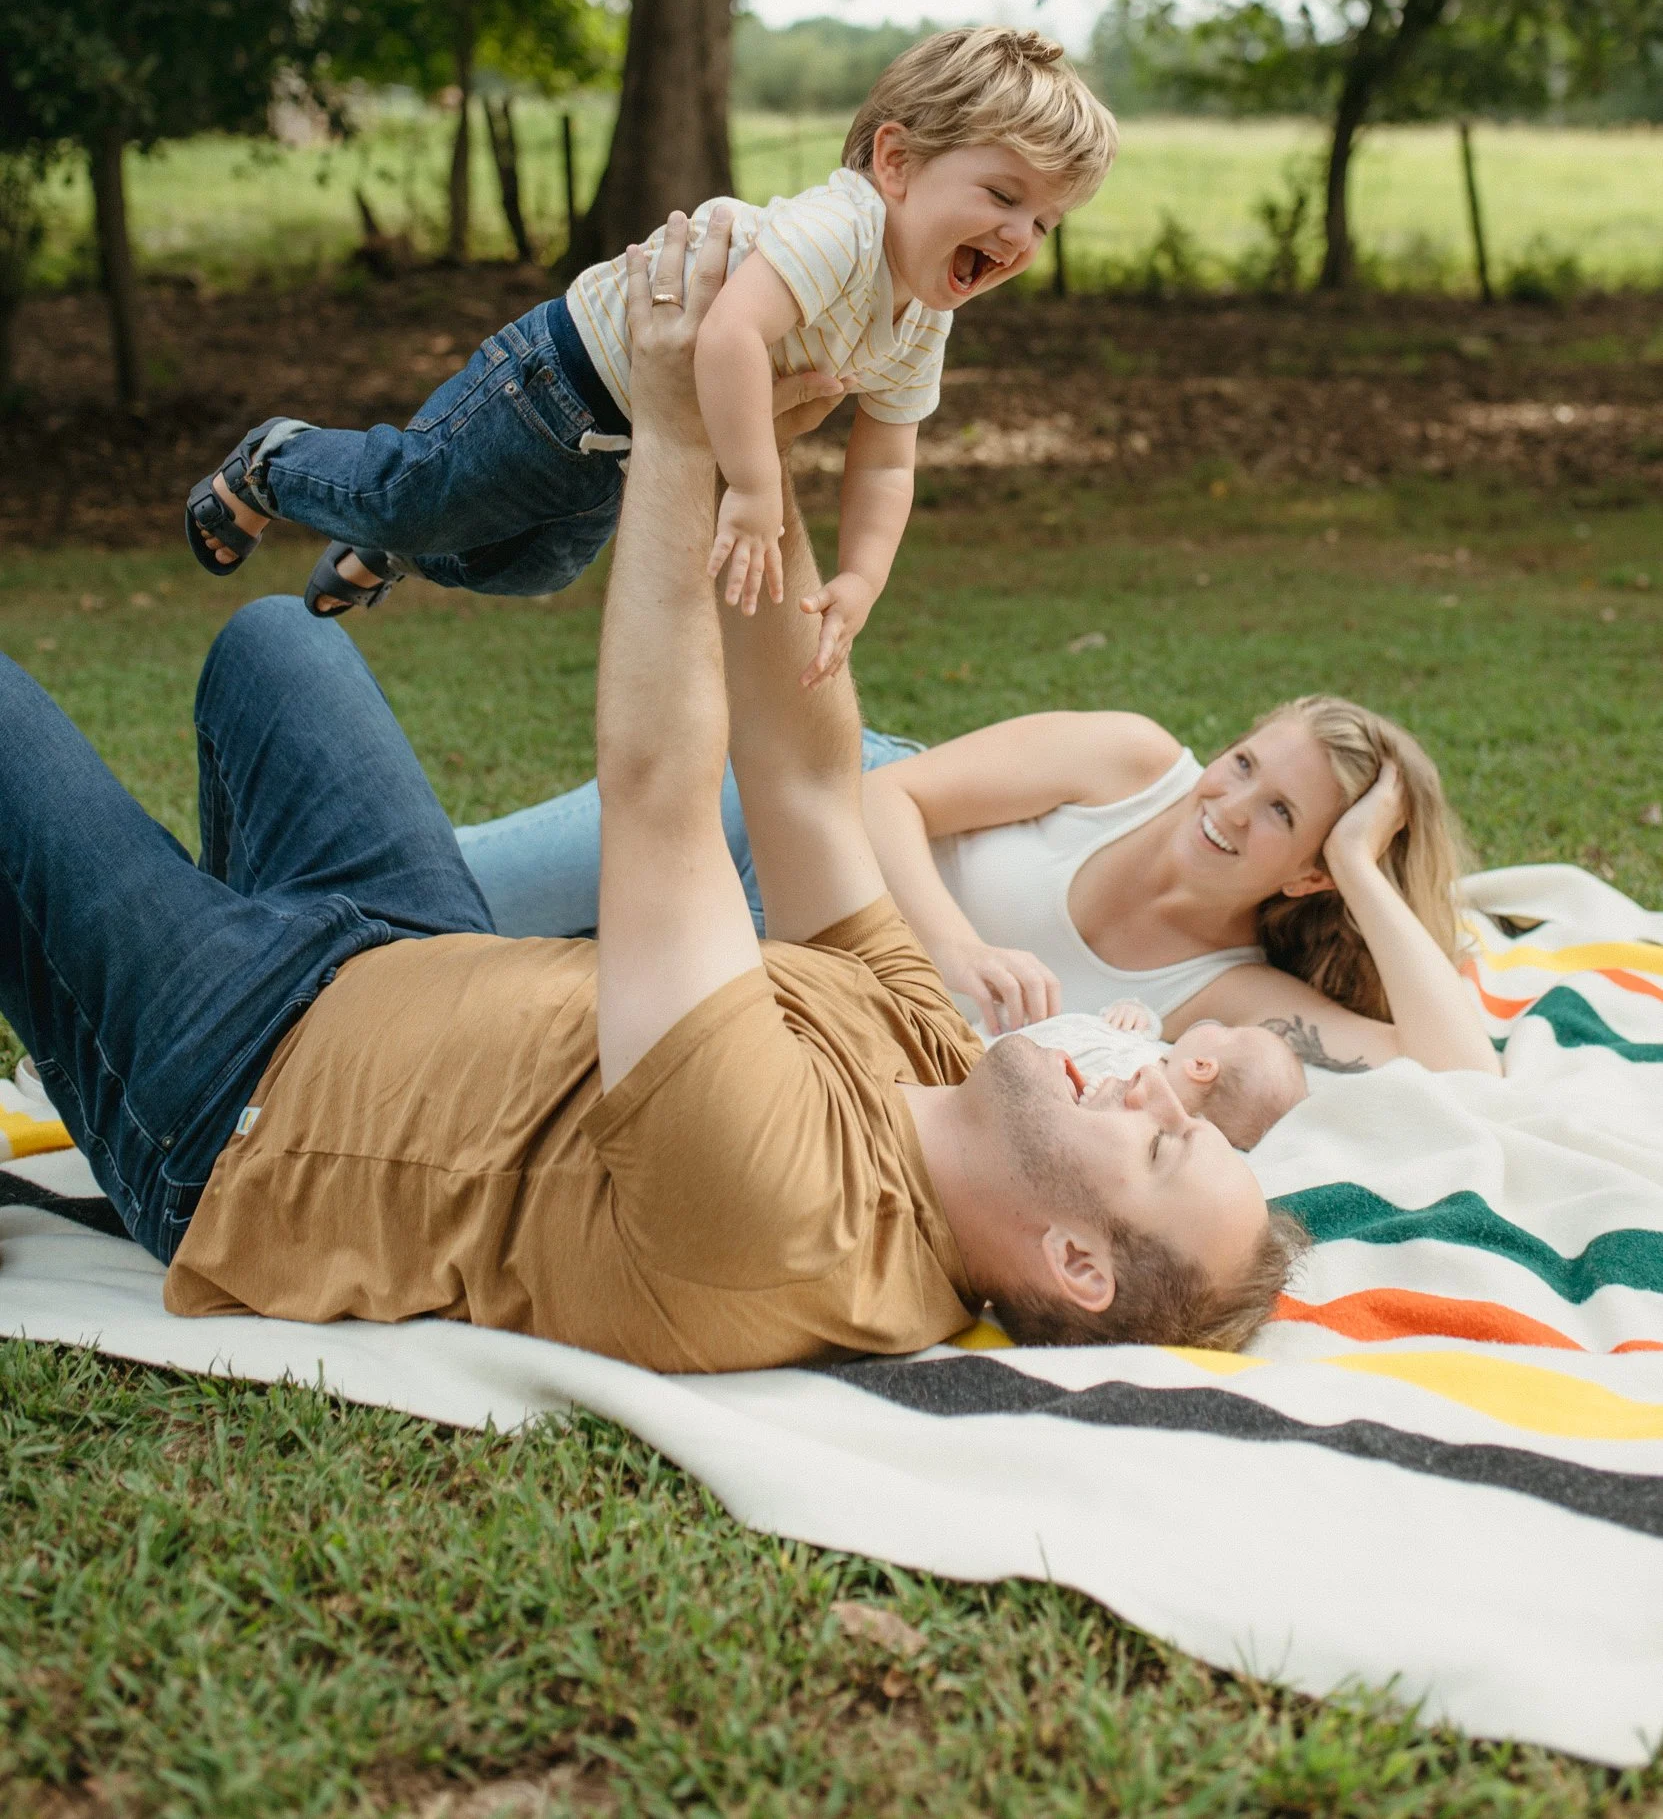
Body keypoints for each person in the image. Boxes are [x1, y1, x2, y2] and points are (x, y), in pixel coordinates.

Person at [0, 213, 1302, 1364]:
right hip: (406, 954)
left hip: (234, 1093)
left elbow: (661, 794)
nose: (1149, 1090)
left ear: (1073, 1264)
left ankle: (120, 1023)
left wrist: (675, 436)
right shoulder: (943, 1067)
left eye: (1161, 1146)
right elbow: (801, 777)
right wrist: (761, 453)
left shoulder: (785, 1220)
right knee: (277, 648)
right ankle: (124, 956)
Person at [183, 27, 1114, 685]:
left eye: (1044, 219)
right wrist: (751, 488)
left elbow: (888, 454)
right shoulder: (844, 224)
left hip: (632, 444)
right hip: (557, 380)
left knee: (533, 570)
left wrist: (861, 578)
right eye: (1001, 193)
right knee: (414, 490)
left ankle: (385, 549)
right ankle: (276, 462)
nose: (1020, 234)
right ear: (897, 161)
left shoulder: (919, 312)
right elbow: (730, 333)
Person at [458, 698, 1500, 1082]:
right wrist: (953, 954)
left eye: (1281, 814)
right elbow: (882, 793)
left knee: (456, 999)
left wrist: (1368, 867)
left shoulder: (1224, 992)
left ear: (1313, 871)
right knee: (449, 899)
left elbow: (1461, 1069)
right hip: (766, 819)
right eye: (1243, 764)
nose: (1228, 804)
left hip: (770, 976)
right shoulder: (1130, 763)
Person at [1018, 1007, 1308, 1150]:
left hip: (1009, 1060)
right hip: (1022, 1030)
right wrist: (1132, 1011)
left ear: (1201, 1067)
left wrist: (1089, 1101)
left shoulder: (1133, 1108)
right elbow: (1147, 1027)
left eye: (1228, 1032)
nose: (1217, 1025)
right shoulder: (1164, 1053)